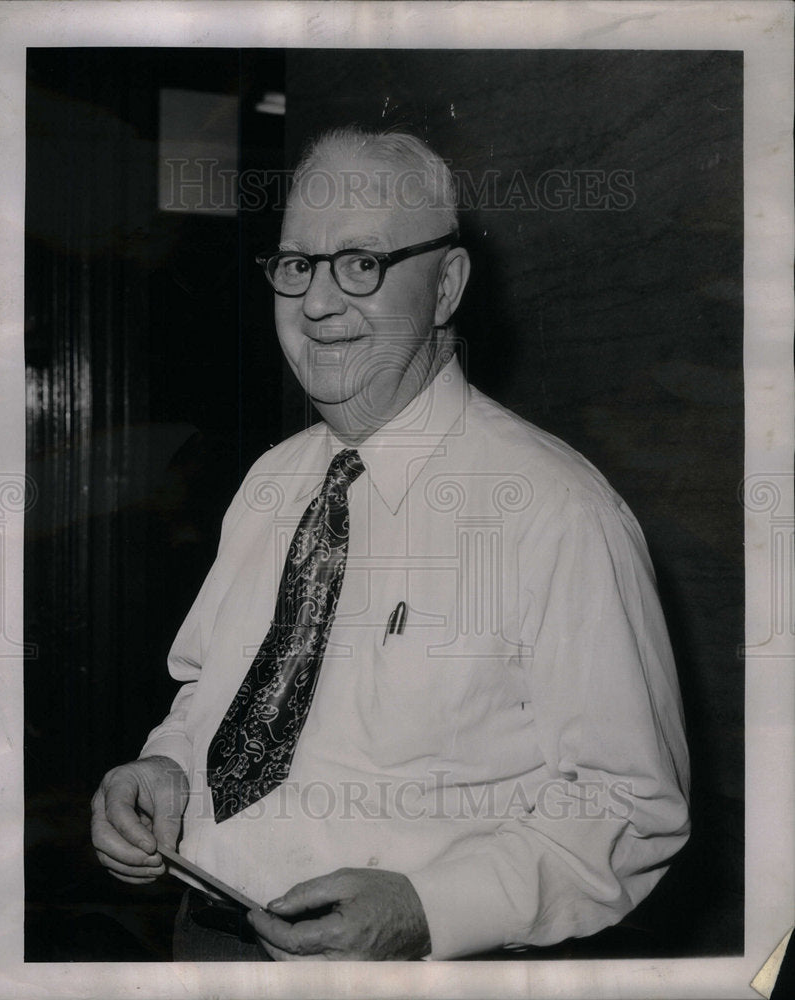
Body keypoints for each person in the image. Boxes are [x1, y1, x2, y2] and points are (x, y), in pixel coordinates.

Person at [91, 126, 690, 961]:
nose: (318, 302)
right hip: (205, 939)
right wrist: (166, 770)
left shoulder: (554, 512)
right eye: (297, 264)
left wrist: (429, 909)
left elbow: (630, 806)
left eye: (361, 264)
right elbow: (209, 696)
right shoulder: (270, 481)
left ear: (445, 286)